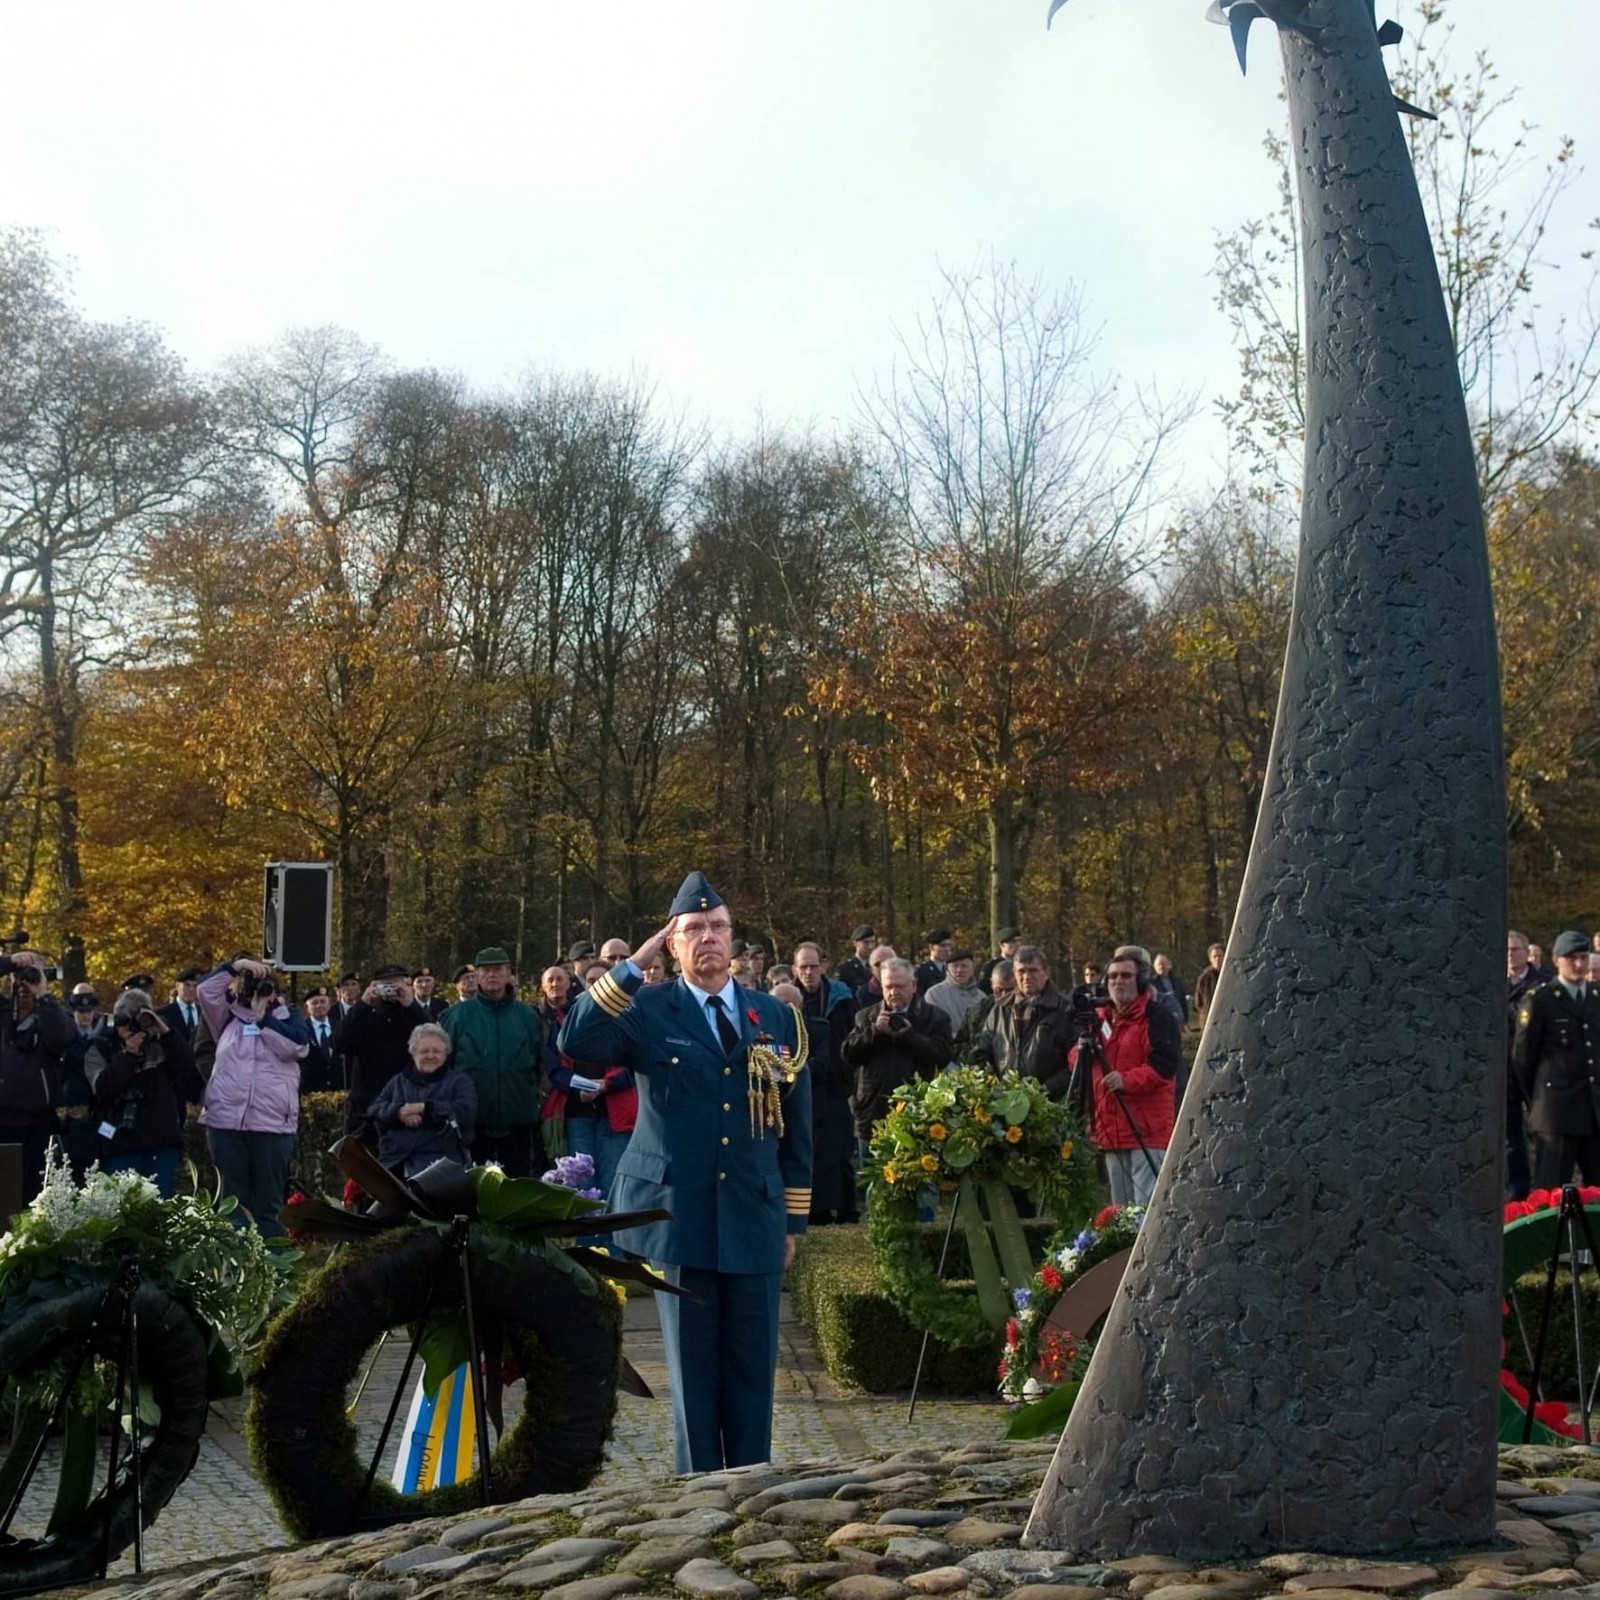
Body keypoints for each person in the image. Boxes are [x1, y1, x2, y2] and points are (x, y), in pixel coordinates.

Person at [558, 871, 811, 1474]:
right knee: (694, 1372)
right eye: (693, 930)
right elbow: (576, 1038)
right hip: (680, 1214)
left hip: (753, 1211)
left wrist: (793, 1218)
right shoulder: (647, 1008)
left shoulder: (773, 1017)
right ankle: (700, 1496)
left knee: (753, 1369)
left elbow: (798, 1128)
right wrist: (629, 965)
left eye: (718, 928)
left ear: (733, 939)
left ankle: (754, 1486)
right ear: (672, 945)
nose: (708, 939)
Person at [197, 958, 310, 1230]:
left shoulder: (289, 1017)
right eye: (249, 982)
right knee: (232, 1205)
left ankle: (272, 1269)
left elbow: (296, 1047)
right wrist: (236, 965)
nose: (255, 989)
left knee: (268, 1205)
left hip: (271, 1125)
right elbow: (205, 991)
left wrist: (263, 1019)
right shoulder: (226, 1015)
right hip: (225, 1122)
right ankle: (237, 1271)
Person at [1069, 949, 1181, 1206]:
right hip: (1112, 1130)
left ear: (1140, 980)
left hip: (1147, 1131)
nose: (1118, 981)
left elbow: (1164, 1067)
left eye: (1126, 976)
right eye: (1113, 976)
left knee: (1147, 1211)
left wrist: (1126, 1080)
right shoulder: (1098, 1020)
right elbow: (1076, 1060)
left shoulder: (1157, 1017)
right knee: (1119, 1214)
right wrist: (1081, 1051)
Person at [84, 988, 202, 1195]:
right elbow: (103, 1089)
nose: (132, 1028)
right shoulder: (101, 1047)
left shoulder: (159, 1043)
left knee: (159, 1205)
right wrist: (129, 1055)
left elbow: (186, 1066)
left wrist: (165, 1031)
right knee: (120, 1207)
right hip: (119, 1141)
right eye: (126, 1022)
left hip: (161, 1139)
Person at [442, 945, 548, 1176]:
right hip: (473, 1123)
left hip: (518, 1120)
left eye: (498, 969)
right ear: (476, 977)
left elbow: (541, 1063)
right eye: (485, 970)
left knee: (517, 1186)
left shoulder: (528, 1016)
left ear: (509, 974)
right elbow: (444, 1067)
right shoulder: (457, 1016)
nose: (491, 975)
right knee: (473, 1187)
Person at [1513, 929, 1600, 1188]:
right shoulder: (1541, 1000)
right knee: (1550, 1192)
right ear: (1556, 960)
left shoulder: (1596, 998)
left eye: (1583, 957)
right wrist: (1539, 1100)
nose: (1578, 964)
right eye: (1571, 958)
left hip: (1594, 1112)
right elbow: (1523, 1058)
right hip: (1557, 1113)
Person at [842, 957, 952, 1153]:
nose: (894, 993)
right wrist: (875, 1032)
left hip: (919, 1114)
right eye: (888, 987)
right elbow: (849, 1054)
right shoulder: (865, 1016)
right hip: (873, 1114)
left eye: (900, 986)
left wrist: (909, 1037)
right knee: (872, 1181)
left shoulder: (934, 1017)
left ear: (914, 985)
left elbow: (942, 1057)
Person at [792, 942, 858, 1224]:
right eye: (803, 967)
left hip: (835, 1084)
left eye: (813, 966)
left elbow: (852, 1036)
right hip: (798, 1088)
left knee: (841, 1150)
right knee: (808, 1151)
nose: (808, 972)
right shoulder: (786, 997)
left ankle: (847, 1209)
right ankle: (813, 1210)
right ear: (795, 969)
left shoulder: (841, 997)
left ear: (823, 966)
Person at [0, 951, 74, 1202]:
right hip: (1, 1120)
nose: (23, 984)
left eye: (29, 977)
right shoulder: (2, 1013)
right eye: (18, 978)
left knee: (34, 1197)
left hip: (37, 1123)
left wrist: (42, 993)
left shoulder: (55, 1015)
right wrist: (10, 962)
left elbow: (61, 1040)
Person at [368, 1023, 477, 1177]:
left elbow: (466, 1112)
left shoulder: (460, 1082)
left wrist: (424, 1108)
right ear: (413, 1053)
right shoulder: (397, 1082)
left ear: (446, 1054)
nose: (430, 1056)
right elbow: (374, 1109)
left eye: (437, 1051)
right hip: (394, 1160)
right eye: (424, 1051)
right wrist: (398, 1112)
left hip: (441, 1162)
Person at [336, 965, 428, 1146]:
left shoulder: (411, 1014)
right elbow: (340, 1043)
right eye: (387, 985)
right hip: (367, 1104)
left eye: (398, 983)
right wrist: (363, 1003)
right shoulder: (365, 1014)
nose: (392, 989)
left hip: (405, 1102)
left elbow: (431, 1040)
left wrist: (411, 1005)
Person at [972, 946, 1078, 1098]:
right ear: (1014, 974)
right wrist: (993, 1086)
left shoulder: (1066, 1010)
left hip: (1051, 1104)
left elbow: (1076, 1063)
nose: (1027, 977)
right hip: (1006, 1103)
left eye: (1033, 970)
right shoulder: (1000, 1010)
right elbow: (981, 1054)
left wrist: (1047, 1089)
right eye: (1021, 971)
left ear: (1046, 973)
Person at [1506, 930, 1539, 1199]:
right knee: (1510, 1134)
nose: (1510, 954)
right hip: (1505, 1070)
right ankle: (1518, 1188)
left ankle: (1544, 1184)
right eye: (1506, 949)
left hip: (1534, 1068)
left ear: (1527, 953)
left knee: (1540, 1128)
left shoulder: (1542, 984)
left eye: (1515, 949)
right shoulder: (1495, 984)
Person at [924, 947, 984, 1036]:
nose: (959, 970)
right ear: (947, 969)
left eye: (964, 966)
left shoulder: (981, 997)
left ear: (972, 969)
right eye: (954, 966)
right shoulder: (934, 994)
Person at [300, 986, 340, 1093]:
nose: (319, 1005)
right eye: (314, 1003)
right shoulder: (301, 1028)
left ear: (329, 1005)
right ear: (306, 1007)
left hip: (337, 1090)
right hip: (310, 1091)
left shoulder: (339, 1026)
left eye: (323, 1002)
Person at [159, 967, 204, 1039]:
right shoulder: (163, 1013)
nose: (191, 989)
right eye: (187, 985)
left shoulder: (204, 1013)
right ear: (177, 986)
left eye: (195, 986)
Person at [853, 943, 897, 1011]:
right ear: (871, 969)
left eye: (887, 962)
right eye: (877, 964)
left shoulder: (908, 987)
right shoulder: (863, 994)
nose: (882, 967)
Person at [835, 926, 876, 996]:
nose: (870, 946)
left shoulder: (878, 966)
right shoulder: (845, 969)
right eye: (866, 942)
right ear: (856, 943)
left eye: (872, 942)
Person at [979, 927, 1023, 992]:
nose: (1018, 944)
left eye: (1019, 941)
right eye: (1013, 941)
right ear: (1001, 945)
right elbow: (983, 989)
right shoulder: (991, 966)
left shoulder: (1022, 964)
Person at [1151, 954, 1189, 1024]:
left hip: (1177, 1019)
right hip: (1161, 1020)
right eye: (1159, 965)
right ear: (1154, 967)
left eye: (1163, 964)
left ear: (1169, 966)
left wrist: (1185, 1017)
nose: (1161, 967)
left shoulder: (1177, 982)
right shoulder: (1151, 983)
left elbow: (1182, 1000)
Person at [914, 929, 953, 996]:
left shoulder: (952, 969)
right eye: (942, 946)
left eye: (949, 945)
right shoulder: (921, 971)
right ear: (931, 947)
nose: (947, 949)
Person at [1194, 943, 1225, 1020]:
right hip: (1209, 1018)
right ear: (1210, 959)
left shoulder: (1232, 975)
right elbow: (1198, 1002)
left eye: (1220, 956)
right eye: (1214, 956)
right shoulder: (1204, 978)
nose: (1217, 959)